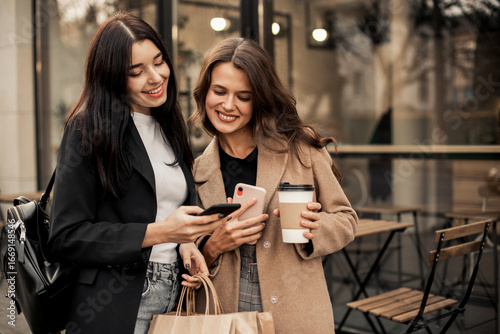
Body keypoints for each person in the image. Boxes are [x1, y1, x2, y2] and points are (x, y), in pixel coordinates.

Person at [48, 12, 227, 334]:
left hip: (175, 291)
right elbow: (66, 236)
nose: (156, 77)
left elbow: (171, 209)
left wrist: (185, 244)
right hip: (114, 299)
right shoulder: (87, 129)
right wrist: (163, 233)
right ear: (112, 77)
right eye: (136, 71)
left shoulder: (168, 125)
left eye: (159, 62)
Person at [189, 37, 359, 333]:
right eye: (219, 91)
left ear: (259, 99)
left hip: (296, 312)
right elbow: (185, 253)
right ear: (205, 92)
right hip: (222, 313)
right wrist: (213, 246)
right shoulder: (194, 171)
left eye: (243, 96)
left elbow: (346, 220)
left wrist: (313, 229)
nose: (228, 105)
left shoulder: (302, 149)